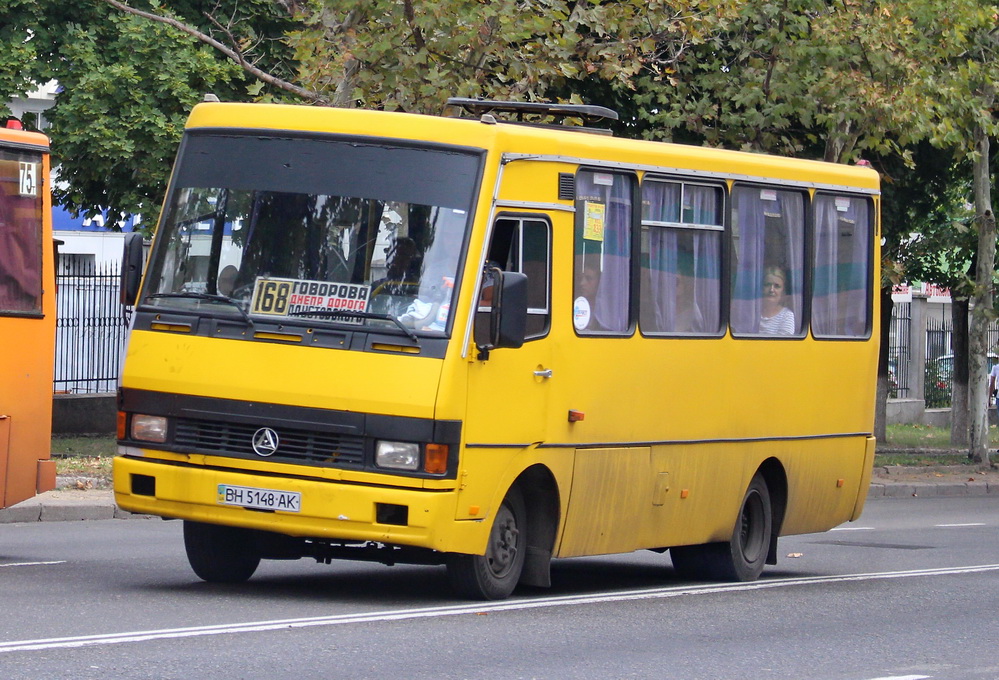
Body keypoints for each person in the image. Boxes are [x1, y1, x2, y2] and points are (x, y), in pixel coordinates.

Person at [759, 265, 795, 335]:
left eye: (777, 286)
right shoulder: (753, 313)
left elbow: (782, 345)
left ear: (783, 291)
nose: (771, 290)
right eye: (767, 285)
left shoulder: (787, 316)